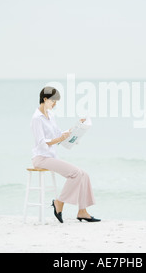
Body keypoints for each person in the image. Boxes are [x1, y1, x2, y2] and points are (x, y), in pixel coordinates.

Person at [31, 86, 100, 223]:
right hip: (41, 158)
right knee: (75, 173)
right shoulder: (37, 118)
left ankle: (82, 211)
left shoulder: (50, 115)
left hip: (50, 157)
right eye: (53, 101)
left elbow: (58, 134)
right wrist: (59, 139)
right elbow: (41, 143)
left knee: (84, 174)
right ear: (45, 99)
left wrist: (76, 127)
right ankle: (59, 202)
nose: (55, 104)